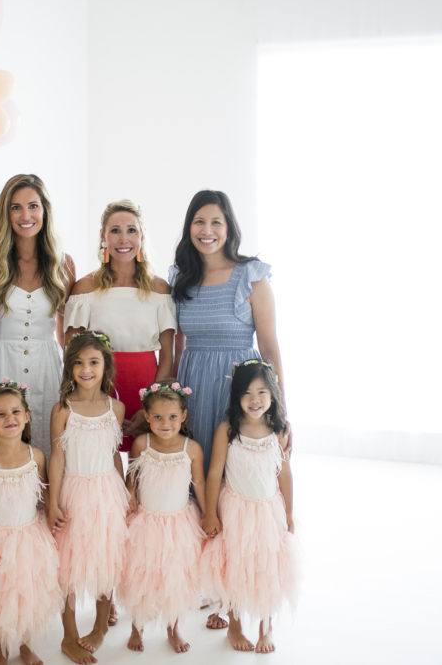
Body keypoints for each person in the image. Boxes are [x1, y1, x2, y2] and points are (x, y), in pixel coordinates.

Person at [170, 190, 289, 476]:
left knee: (238, 472)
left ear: (229, 228)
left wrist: (281, 410)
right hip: (194, 384)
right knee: (197, 474)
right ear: (189, 227)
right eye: (199, 222)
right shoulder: (181, 278)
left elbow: (270, 349)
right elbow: (177, 344)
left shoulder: (251, 276)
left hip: (239, 386)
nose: (207, 231)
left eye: (216, 222)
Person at [201, 360, 299, 654]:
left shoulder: (277, 431)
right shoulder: (228, 430)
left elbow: (284, 472)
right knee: (235, 565)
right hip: (235, 509)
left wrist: (290, 512)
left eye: (262, 392)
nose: (255, 400)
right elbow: (215, 472)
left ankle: (265, 627)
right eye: (247, 393)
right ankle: (234, 623)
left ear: (273, 395)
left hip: (267, 509)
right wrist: (210, 512)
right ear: (236, 397)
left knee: (266, 566)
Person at [0, 379, 62, 665]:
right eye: (1, 414)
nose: (10, 419)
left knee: (28, 595)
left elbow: (42, 496)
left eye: (16, 412)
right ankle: (2, 651)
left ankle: (27, 646)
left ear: (27, 417)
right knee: (0, 599)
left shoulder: (36, 456)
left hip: (30, 537)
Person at [65, 200, 176, 451]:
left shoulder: (159, 289)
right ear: (103, 237)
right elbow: (71, 351)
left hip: (147, 387)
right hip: (98, 389)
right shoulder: (85, 289)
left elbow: (168, 353)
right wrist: (93, 398)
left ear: (142, 237)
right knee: (102, 465)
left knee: (144, 466)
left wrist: (151, 404)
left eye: (131, 230)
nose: (123, 239)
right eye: (115, 230)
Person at [0, 174, 75, 459]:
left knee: (45, 450)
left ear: (45, 209)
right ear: (5, 213)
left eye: (33, 206)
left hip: (46, 369)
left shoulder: (63, 263)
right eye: (15, 207)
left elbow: (65, 333)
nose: (25, 215)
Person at [48, 331, 128, 664]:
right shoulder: (63, 409)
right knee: (66, 565)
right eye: (78, 363)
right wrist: (53, 501)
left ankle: (99, 627)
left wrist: (124, 493)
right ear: (69, 368)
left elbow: (113, 454)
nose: (86, 369)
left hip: (107, 491)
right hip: (73, 490)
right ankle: (68, 635)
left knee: (105, 559)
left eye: (93, 362)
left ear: (105, 366)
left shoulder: (116, 407)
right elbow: (57, 456)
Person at [117, 380, 207, 654]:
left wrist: (207, 514)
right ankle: (137, 625)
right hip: (146, 520)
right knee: (141, 574)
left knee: (174, 576)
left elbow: (200, 483)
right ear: (146, 417)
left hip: (179, 522)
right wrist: (129, 497)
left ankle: (173, 627)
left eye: (171, 417)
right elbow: (132, 477)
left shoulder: (191, 449)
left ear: (183, 416)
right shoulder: (142, 444)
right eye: (157, 417)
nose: (165, 423)